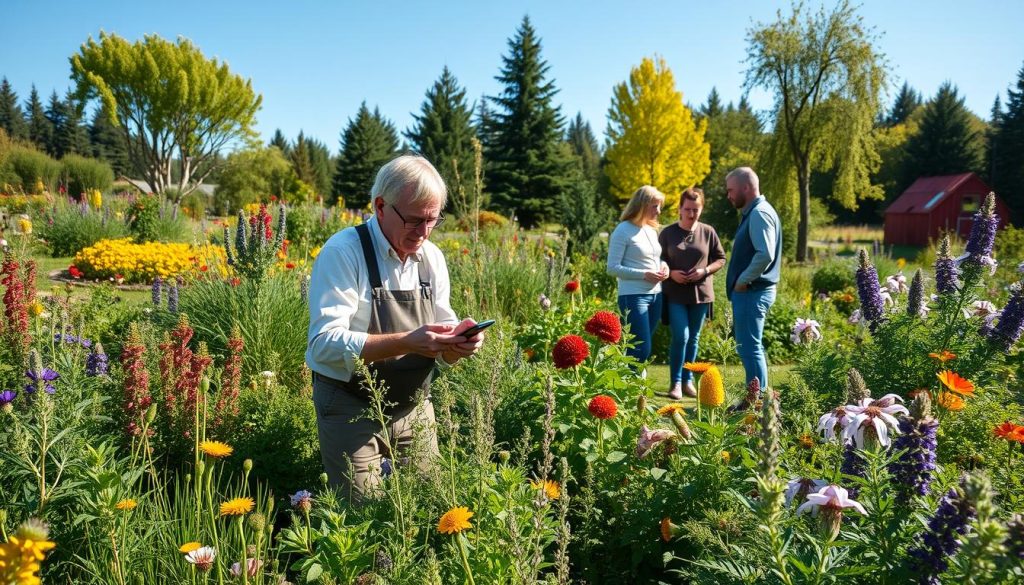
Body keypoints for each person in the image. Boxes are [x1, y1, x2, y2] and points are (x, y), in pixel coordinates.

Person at [305, 155, 484, 499]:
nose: (423, 233)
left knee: (430, 505)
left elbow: (442, 331)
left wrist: (458, 343)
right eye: (414, 220)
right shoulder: (343, 252)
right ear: (380, 206)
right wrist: (407, 341)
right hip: (349, 404)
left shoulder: (431, 257)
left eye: (433, 220)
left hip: (414, 404)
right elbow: (323, 344)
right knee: (363, 516)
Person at [659, 187, 726, 399]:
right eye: (687, 209)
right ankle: (676, 383)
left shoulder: (708, 232)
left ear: (701, 209)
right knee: (682, 336)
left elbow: (720, 259)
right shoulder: (668, 233)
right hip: (675, 293)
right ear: (679, 208)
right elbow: (658, 259)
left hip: (701, 293)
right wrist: (671, 273)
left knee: (694, 338)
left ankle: (688, 381)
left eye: (695, 210)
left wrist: (704, 270)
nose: (691, 214)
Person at [724, 167, 781, 390]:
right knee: (749, 347)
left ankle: (756, 403)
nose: (728, 195)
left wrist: (743, 280)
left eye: (731, 190)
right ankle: (756, 399)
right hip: (752, 291)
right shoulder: (756, 212)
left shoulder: (759, 213)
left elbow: (765, 253)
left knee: (750, 347)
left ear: (745, 187)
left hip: (752, 291)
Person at [607, 185, 669, 364]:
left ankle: (636, 388)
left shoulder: (651, 230)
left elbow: (656, 259)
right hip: (633, 296)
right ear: (641, 205)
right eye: (654, 206)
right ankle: (631, 390)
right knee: (640, 350)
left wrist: (664, 267)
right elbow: (612, 268)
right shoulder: (622, 230)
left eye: (659, 206)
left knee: (641, 349)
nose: (658, 211)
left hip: (656, 295)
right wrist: (644, 274)